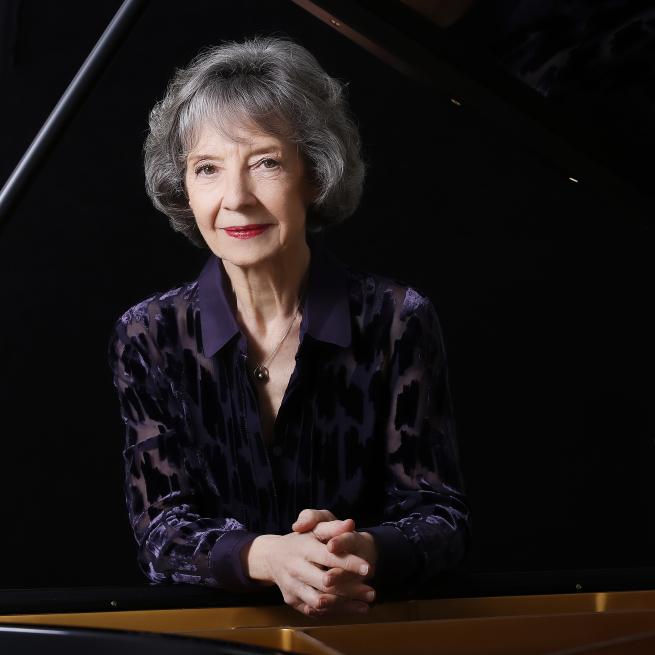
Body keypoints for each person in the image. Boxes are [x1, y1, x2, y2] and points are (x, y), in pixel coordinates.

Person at [107, 35, 470, 618]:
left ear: (315, 174)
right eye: (207, 169)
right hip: (209, 636)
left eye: (266, 162)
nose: (235, 198)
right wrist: (270, 557)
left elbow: (440, 517)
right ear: (184, 187)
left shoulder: (397, 318)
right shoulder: (149, 333)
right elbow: (161, 532)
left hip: (373, 630)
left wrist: (363, 549)